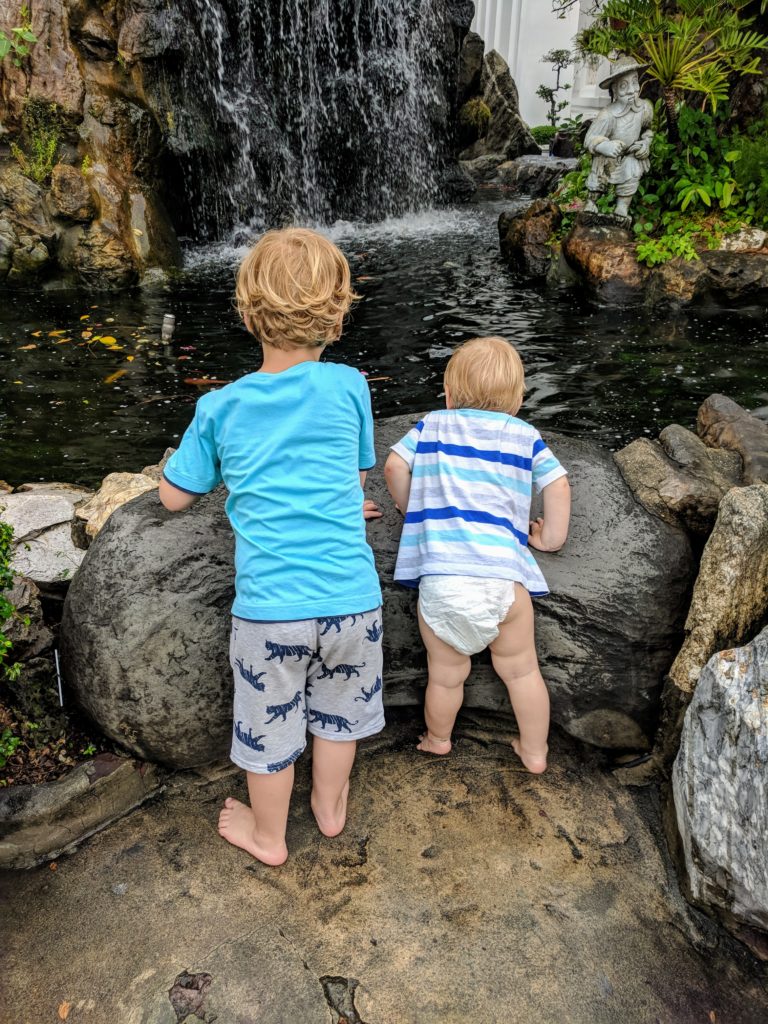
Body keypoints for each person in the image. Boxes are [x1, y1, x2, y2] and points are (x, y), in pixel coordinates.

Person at [158, 227, 384, 866]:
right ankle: (330, 808)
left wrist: (179, 462)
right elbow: (353, 479)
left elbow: (174, 497)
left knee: (269, 728)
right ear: (337, 315)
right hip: (352, 601)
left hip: (270, 612)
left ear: (248, 313)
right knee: (339, 713)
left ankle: (269, 835)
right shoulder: (350, 386)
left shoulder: (220, 407)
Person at [384, 337, 570, 773]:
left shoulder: (432, 424)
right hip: (503, 580)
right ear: (518, 400)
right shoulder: (525, 435)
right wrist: (550, 539)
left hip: (443, 583)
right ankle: (535, 751)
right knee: (522, 673)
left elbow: (394, 465)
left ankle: (438, 739)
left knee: (445, 675)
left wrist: (415, 509)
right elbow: (558, 484)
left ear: (449, 395)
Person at [584, 55, 654, 220]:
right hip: (608, 157)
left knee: (632, 168)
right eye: (624, 86)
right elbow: (589, 139)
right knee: (599, 167)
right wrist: (604, 146)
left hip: (629, 154)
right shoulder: (607, 115)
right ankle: (592, 201)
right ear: (615, 90)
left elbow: (648, 130)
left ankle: (622, 206)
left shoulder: (644, 108)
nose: (631, 90)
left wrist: (645, 143)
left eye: (634, 82)